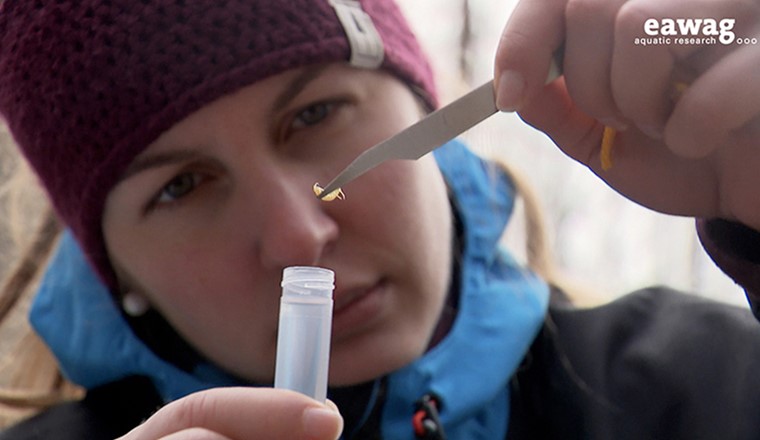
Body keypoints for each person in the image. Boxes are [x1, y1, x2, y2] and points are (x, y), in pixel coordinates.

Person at [0, 0, 759, 439]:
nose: (300, 236)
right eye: (183, 187)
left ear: (427, 116)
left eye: (315, 114)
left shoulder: (710, 391)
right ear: (116, 272)